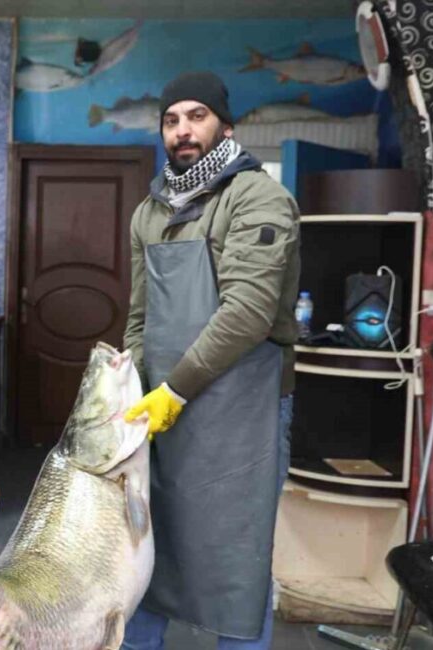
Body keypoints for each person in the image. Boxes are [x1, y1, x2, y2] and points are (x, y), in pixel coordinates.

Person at [121, 71, 301, 650]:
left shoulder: (258, 198)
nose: (182, 130)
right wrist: (125, 385)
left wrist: (174, 390)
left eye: (196, 116)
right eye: (171, 120)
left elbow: (247, 314)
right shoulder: (149, 212)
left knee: (234, 563)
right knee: (146, 551)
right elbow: (139, 316)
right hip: (159, 411)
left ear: (226, 125)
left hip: (238, 415)